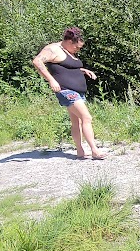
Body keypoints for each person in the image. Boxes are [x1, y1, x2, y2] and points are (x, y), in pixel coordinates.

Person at [30, 27, 105, 160]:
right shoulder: (53, 49)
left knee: (77, 122)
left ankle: (80, 151)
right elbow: (37, 61)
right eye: (77, 47)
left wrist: (82, 70)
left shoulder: (67, 51)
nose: (78, 50)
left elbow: (65, 67)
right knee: (87, 118)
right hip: (66, 90)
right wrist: (51, 80)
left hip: (77, 90)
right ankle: (94, 150)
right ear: (70, 41)